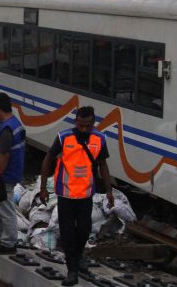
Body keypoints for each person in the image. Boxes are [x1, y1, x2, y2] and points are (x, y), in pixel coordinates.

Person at [40, 106, 114, 286]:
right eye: (81, 125)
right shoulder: (63, 138)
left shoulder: (99, 139)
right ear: (76, 122)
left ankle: (78, 258)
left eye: (88, 126)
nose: (84, 130)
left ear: (93, 123)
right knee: (67, 234)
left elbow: (103, 165)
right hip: (65, 195)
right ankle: (72, 270)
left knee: (83, 231)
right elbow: (48, 159)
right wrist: (43, 187)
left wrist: (109, 190)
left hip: (86, 195)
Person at [0, 93, 26, 254]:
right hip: (10, 174)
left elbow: (4, 155)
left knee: (5, 209)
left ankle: (8, 243)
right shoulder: (15, 124)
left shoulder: (6, 129)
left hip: (5, 176)